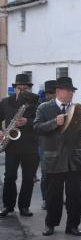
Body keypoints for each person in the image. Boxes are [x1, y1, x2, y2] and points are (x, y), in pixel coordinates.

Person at [34, 77, 81, 236]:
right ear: (58, 91)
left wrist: (76, 124)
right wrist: (54, 122)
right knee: (53, 196)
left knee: (75, 197)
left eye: (72, 91)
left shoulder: (77, 108)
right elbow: (37, 128)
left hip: (74, 160)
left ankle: (73, 225)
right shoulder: (44, 108)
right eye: (68, 90)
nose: (71, 93)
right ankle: (50, 224)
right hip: (54, 159)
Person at [0, 73, 39, 217]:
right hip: (11, 145)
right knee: (9, 176)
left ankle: (24, 207)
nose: (22, 91)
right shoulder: (6, 102)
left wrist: (27, 122)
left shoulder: (36, 103)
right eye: (19, 88)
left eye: (25, 88)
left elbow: (41, 122)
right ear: (15, 88)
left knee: (28, 178)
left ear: (29, 89)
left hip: (30, 146)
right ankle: (8, 206)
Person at [39, 80, 57, 210]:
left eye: (52, 93)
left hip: (60, 144)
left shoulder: (63, 106)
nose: (50, 96)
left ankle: (58, 198)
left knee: (60, 173)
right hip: (45, 145)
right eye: (48, 93)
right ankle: (46, 199)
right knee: (46, 174)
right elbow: (38, 127)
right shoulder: (42, 107)